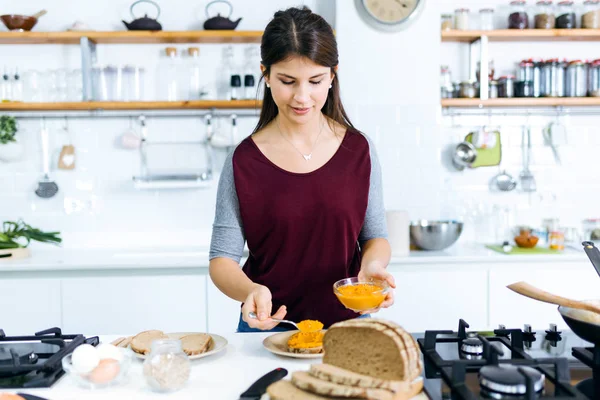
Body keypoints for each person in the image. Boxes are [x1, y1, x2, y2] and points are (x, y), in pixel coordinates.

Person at [208, 6, 394, 333]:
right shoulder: (243, 160)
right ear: (265, 74)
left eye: (316, 80)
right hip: (267, 331)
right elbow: (222, 260)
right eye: (287, 81)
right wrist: (250, 290)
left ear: (332, 76)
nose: (302, 96)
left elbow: (375, 236)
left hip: (347, 329)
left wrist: (372, 266)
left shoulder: (358, 151)